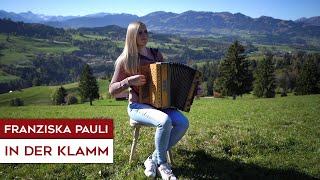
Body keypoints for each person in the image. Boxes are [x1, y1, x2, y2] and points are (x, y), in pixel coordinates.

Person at [109, 21, 191, 180]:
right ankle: (162, 164)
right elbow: (112, 90)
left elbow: (168, 80)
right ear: (131, 36)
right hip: (137, 106)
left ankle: (151, 159)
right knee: (164, 121)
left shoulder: (155, 54)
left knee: (183, 122)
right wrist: (128, 82)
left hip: (159, 104)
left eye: (146, 32)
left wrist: (192, 90)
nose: (144, 35)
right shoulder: (125, 60)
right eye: (139, 32)